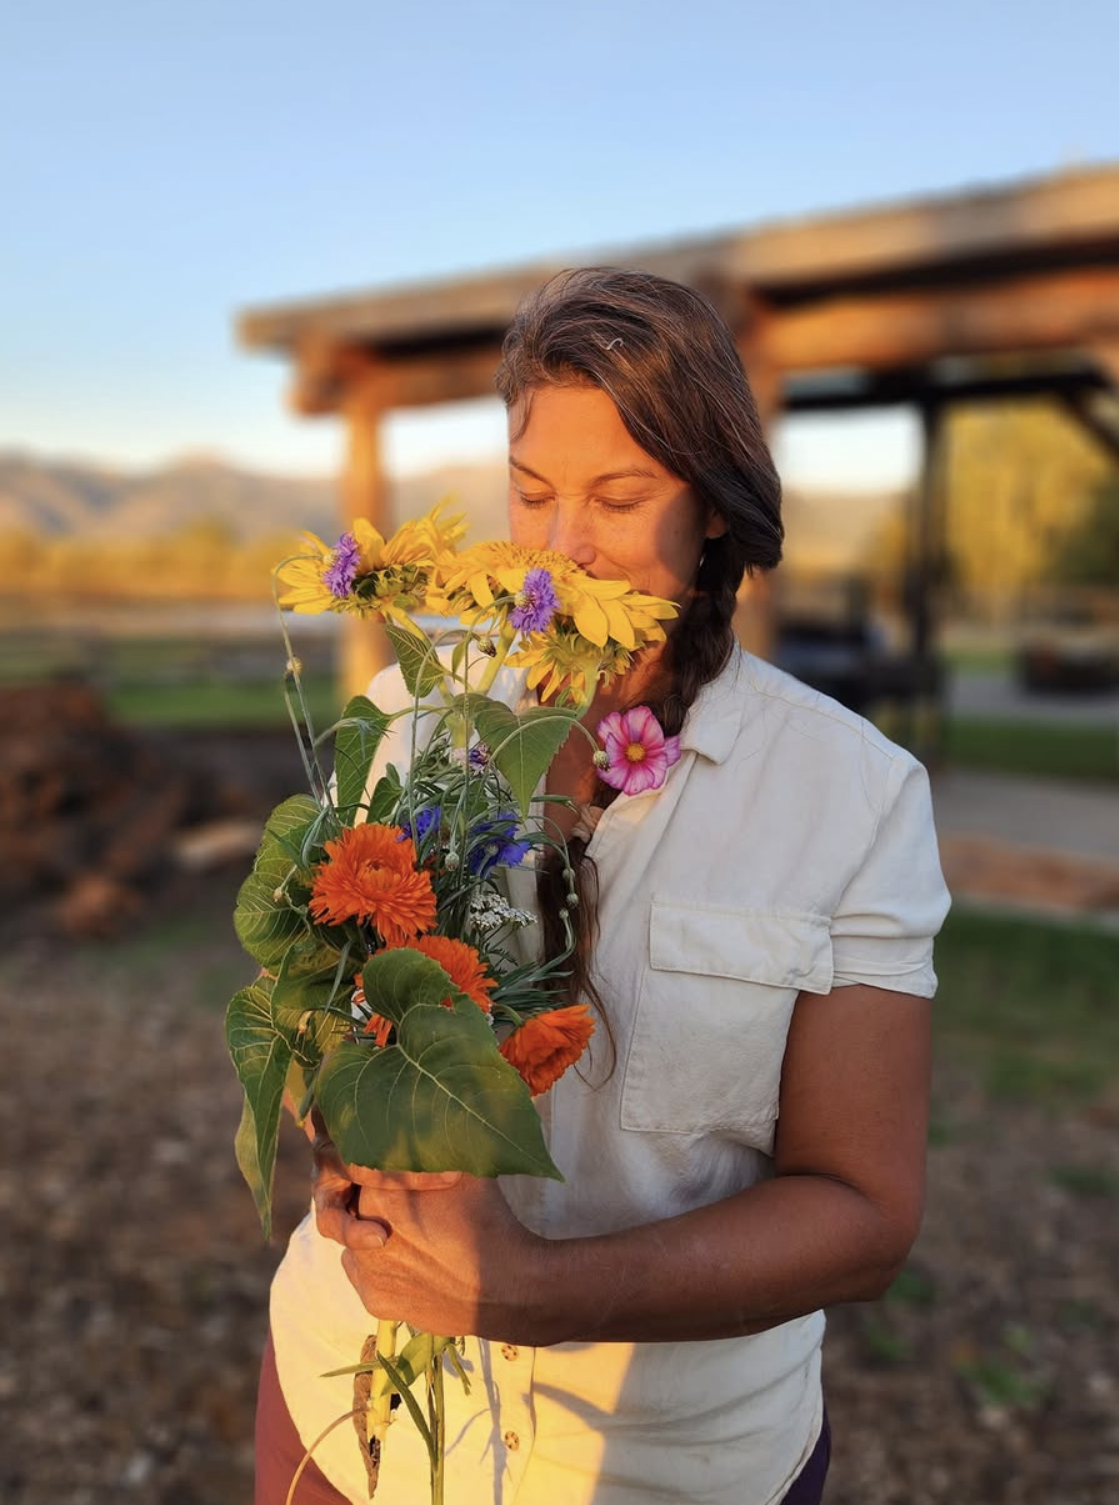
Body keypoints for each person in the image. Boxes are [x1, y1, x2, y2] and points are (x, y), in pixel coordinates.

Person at [255, 267, 950, 1505]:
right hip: (347, 1411)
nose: (563, 548)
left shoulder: (855, 796)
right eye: (533, 494)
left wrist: (528, 1289)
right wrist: (341, 1127)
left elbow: (863, 1214)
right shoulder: (413, 719)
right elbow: (324, 1010)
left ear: (718, 512)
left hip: (666, 1465)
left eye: (620, 496)